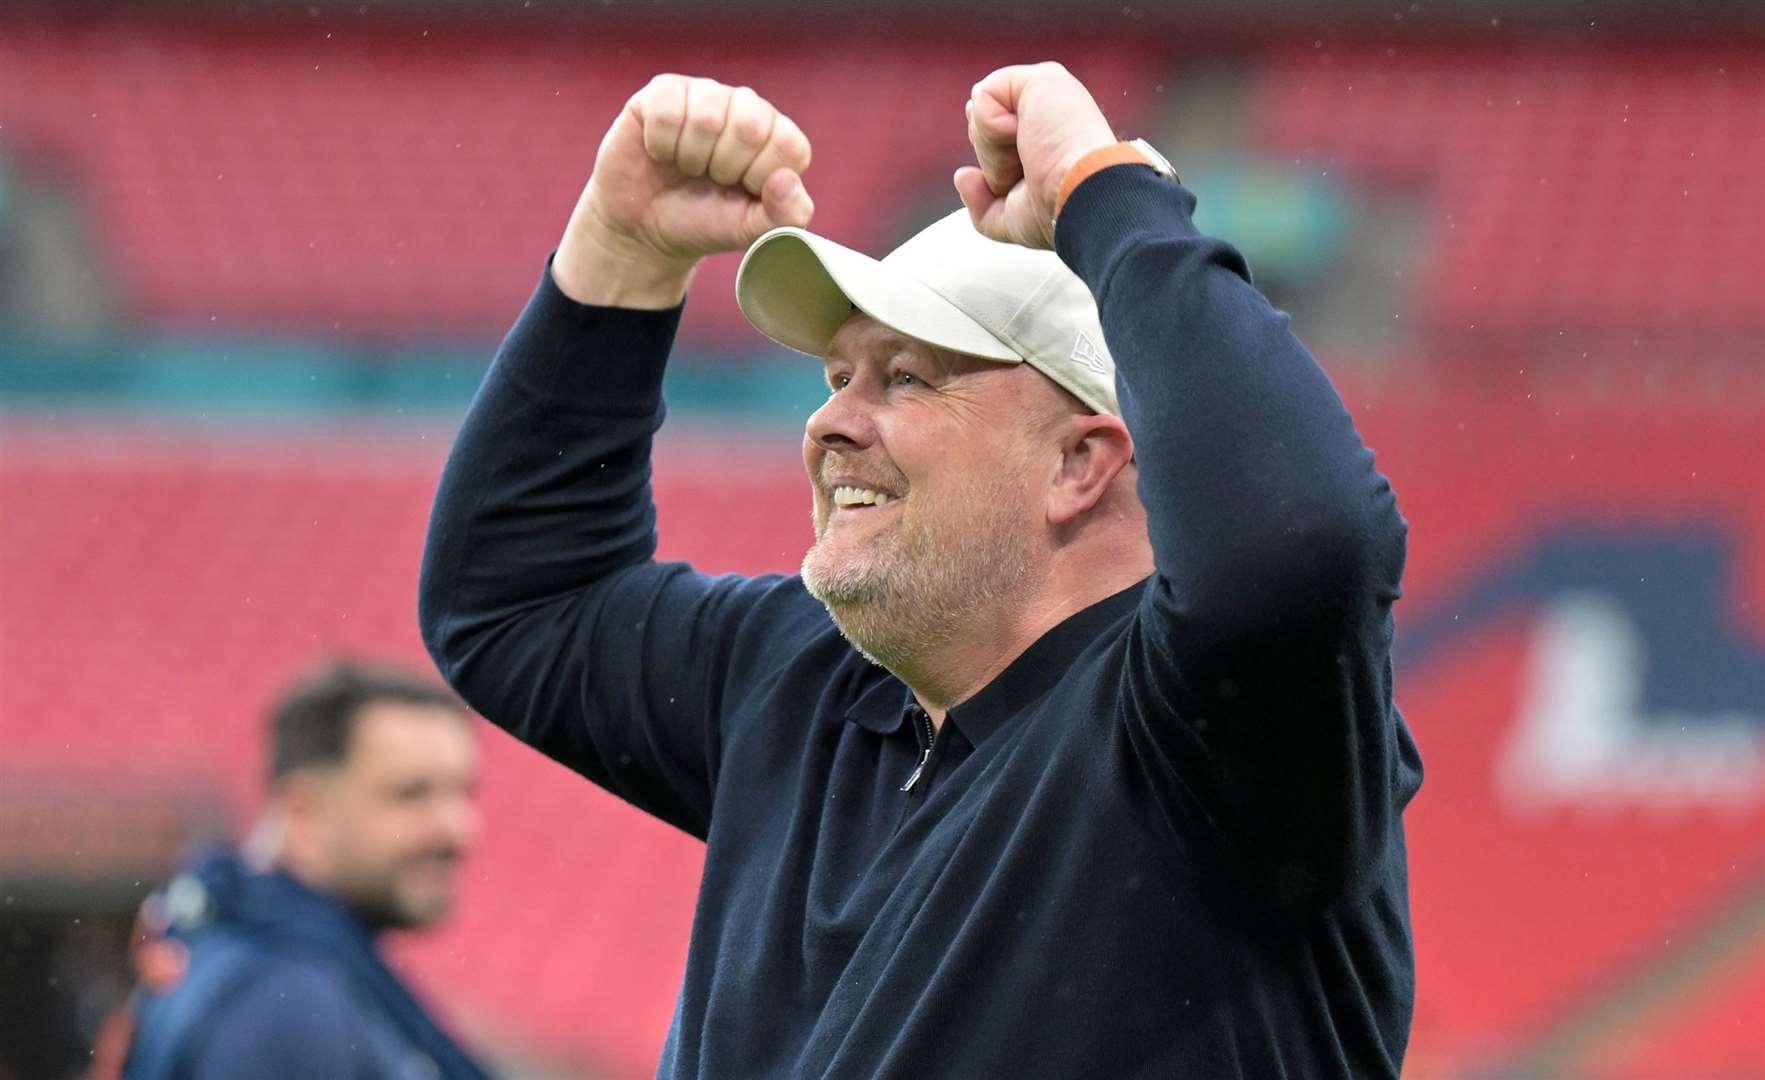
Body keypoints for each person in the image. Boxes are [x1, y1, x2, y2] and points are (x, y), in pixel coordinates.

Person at [420, 62, 1423, 1077]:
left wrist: (1100, 186)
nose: (829, 423)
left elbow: (1291, 543)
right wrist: (621, 256)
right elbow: (517, 601)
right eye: (836, 375)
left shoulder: (1209, 734)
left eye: (905, 377)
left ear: (1082, 461)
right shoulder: (804, 685)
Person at [119, 660, 489, 1079]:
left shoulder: (256, 951)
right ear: (302, 813)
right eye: (411, 795)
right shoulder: (286, 1002)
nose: (459, 830)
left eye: (463, 792)